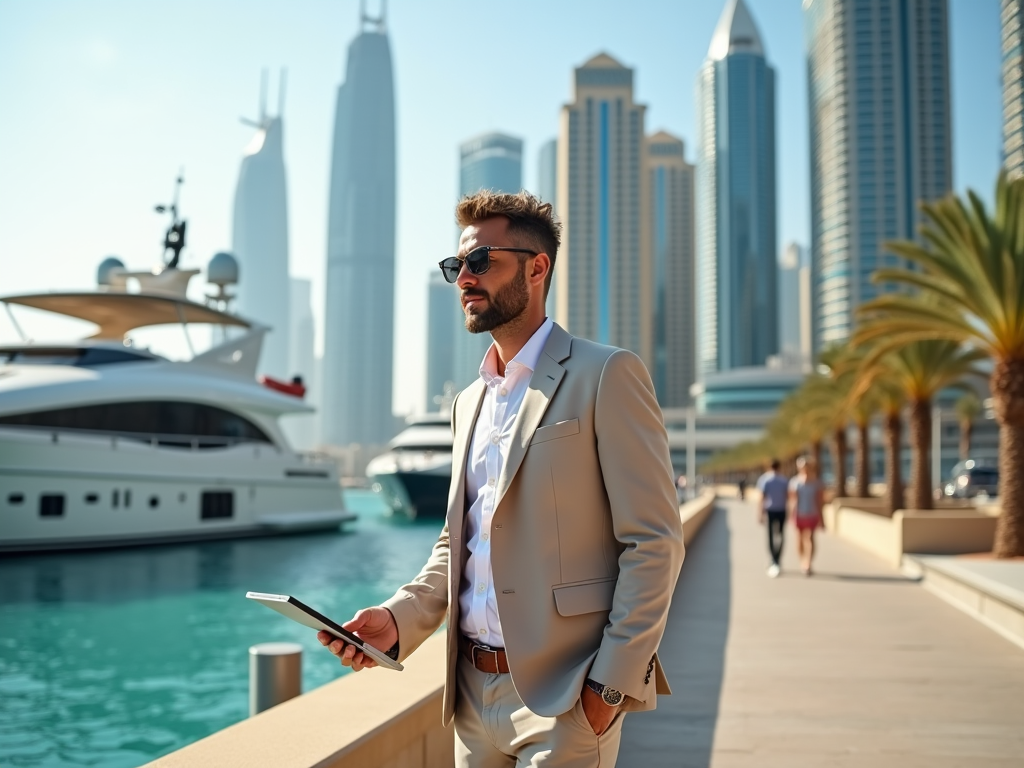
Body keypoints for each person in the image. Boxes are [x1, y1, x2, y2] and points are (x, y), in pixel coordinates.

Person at [317, 191, 685, 767]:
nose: (464, 277)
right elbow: (457, 543)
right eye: (456, 266)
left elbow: (655, 542)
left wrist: (608, 689)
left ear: (537, 268)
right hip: (468, 699)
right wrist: (397, 617)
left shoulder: (606, 374)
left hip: (564, 699)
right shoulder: (469, 403)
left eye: (482, 261)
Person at [789, 457, 825, 576]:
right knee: (799, 539)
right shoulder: (795, 482)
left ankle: (808, 563)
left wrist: (822, 519)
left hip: (812, 514)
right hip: (799, 514)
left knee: (810, 537)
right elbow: (793, 500)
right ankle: (802, 560)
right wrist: (791, 515)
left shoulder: (817, 483)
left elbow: (820, 502)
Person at [756, 459, 789, 578]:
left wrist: (760, 513)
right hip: (781, 510)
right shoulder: (784, 480)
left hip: (771, 511)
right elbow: (788, 497)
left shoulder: (765, 479)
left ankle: (774, 559)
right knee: (780, 535)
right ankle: (777, 559)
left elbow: (762, 497)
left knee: (771, 535)